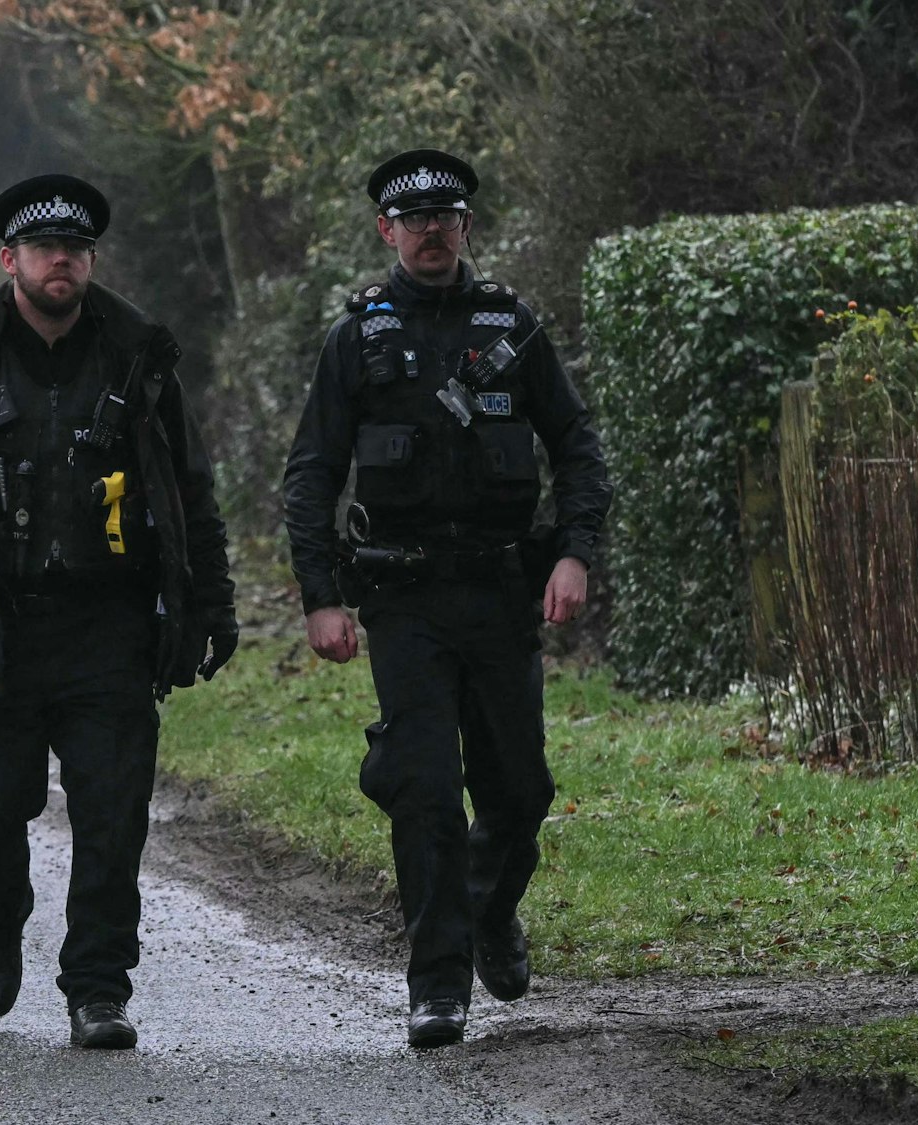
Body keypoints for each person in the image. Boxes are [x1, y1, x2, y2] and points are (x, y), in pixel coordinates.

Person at [0, 173, 238, 1050]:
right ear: (11, 261)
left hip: (107, 628)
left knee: (114, 818)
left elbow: (191, 493)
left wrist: (210, 604)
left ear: (91, 260)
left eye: (74, 248)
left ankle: (99, 987)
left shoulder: (140, 358)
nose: (60, 260)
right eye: (43, 248)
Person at [281, 149, 612, 1049]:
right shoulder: (359, 337)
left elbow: (577, 444)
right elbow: (311, 472)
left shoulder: (512, 325)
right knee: (425, 788)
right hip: (406, 599)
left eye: (447, 217)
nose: (431, 231)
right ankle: (437, 985)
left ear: (466, 228)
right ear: (387, 232)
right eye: (413, 219)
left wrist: (574, 554)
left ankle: (490, 906)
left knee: (521, 790)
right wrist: (320, 596)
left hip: (504, 594)